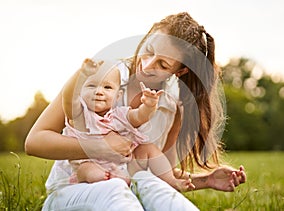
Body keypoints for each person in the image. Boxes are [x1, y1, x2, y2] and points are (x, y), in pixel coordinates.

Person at [25, 12, 246, 211]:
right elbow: (34, 142)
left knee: (151, 184)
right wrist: (100, 147)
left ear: (180, 71)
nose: (148, 65)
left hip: (126, 196)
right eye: (148, 50)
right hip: (72, 192)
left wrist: (206, 180)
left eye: (162, 64)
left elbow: (160, 174)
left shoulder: (171, 108)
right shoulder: (97, 77)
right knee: (114, 189)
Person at [63, 57, 194, 191]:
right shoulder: (80, 114)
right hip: (91, 165)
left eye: (107, 87)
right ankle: (108, 181)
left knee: (148, 148)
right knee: (88, 169)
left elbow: (139, 116)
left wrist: (149, 106)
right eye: (91, 86)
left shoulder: (118, 115)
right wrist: (81, 75)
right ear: (80, 90)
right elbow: (68, 99)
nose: (99, 91)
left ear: (118, 95)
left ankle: (171, 181)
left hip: (122, 166)